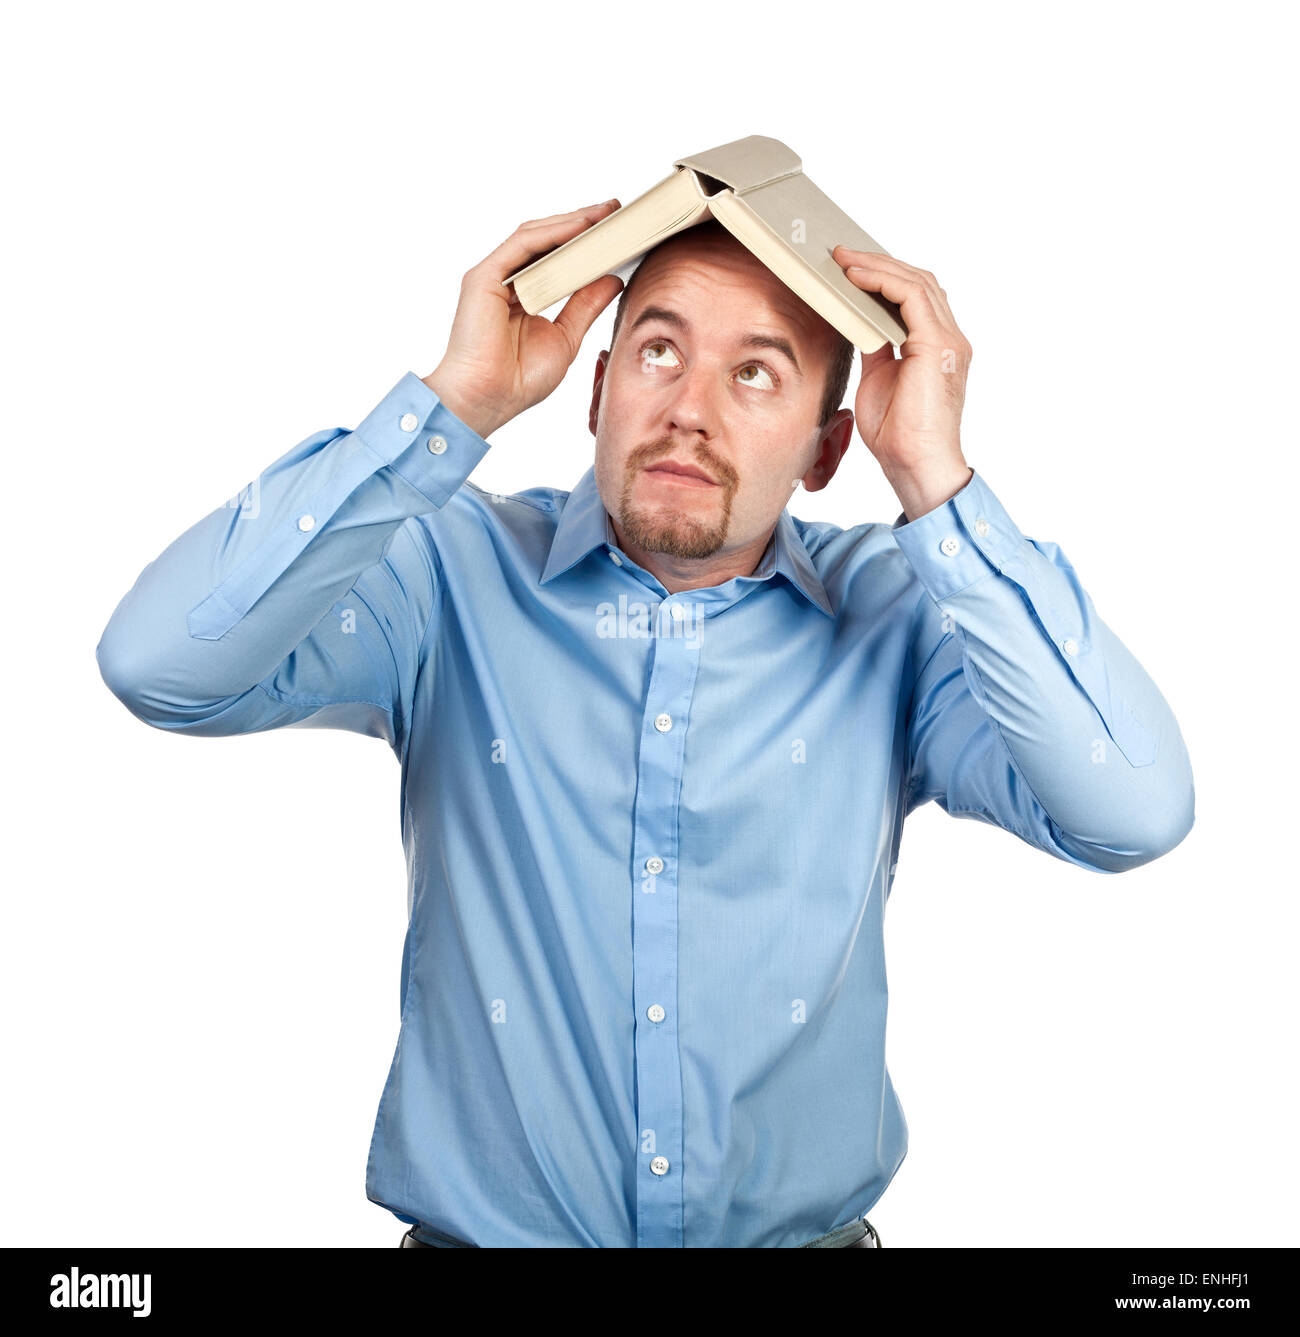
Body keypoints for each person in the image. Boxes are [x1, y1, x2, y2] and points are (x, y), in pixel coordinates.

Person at [96, 201, 1195, 1248]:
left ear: (824, 451)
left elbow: (1132, 809)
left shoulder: (897, 616)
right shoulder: (450, 571)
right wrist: (451, 406)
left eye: (756, 373)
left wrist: (935, 481)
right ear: (596, 392)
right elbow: (161, 665)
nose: (688, 411)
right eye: (657, 351)